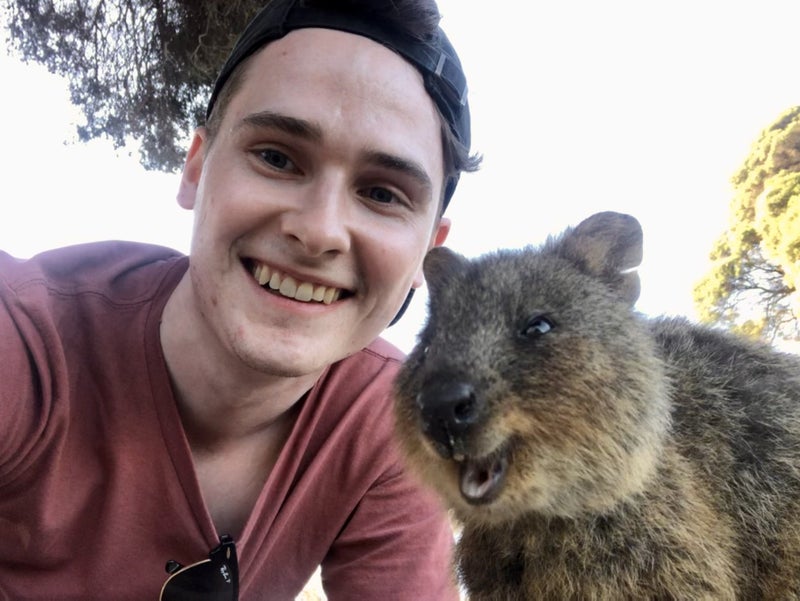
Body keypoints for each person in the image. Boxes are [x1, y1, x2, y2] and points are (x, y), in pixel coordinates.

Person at [0, 0, 480, 599]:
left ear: (427, 254)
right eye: (276, 158)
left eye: (383, 194)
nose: (319, 231)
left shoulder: (392, 428)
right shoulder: (27, 340)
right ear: (196, 167)